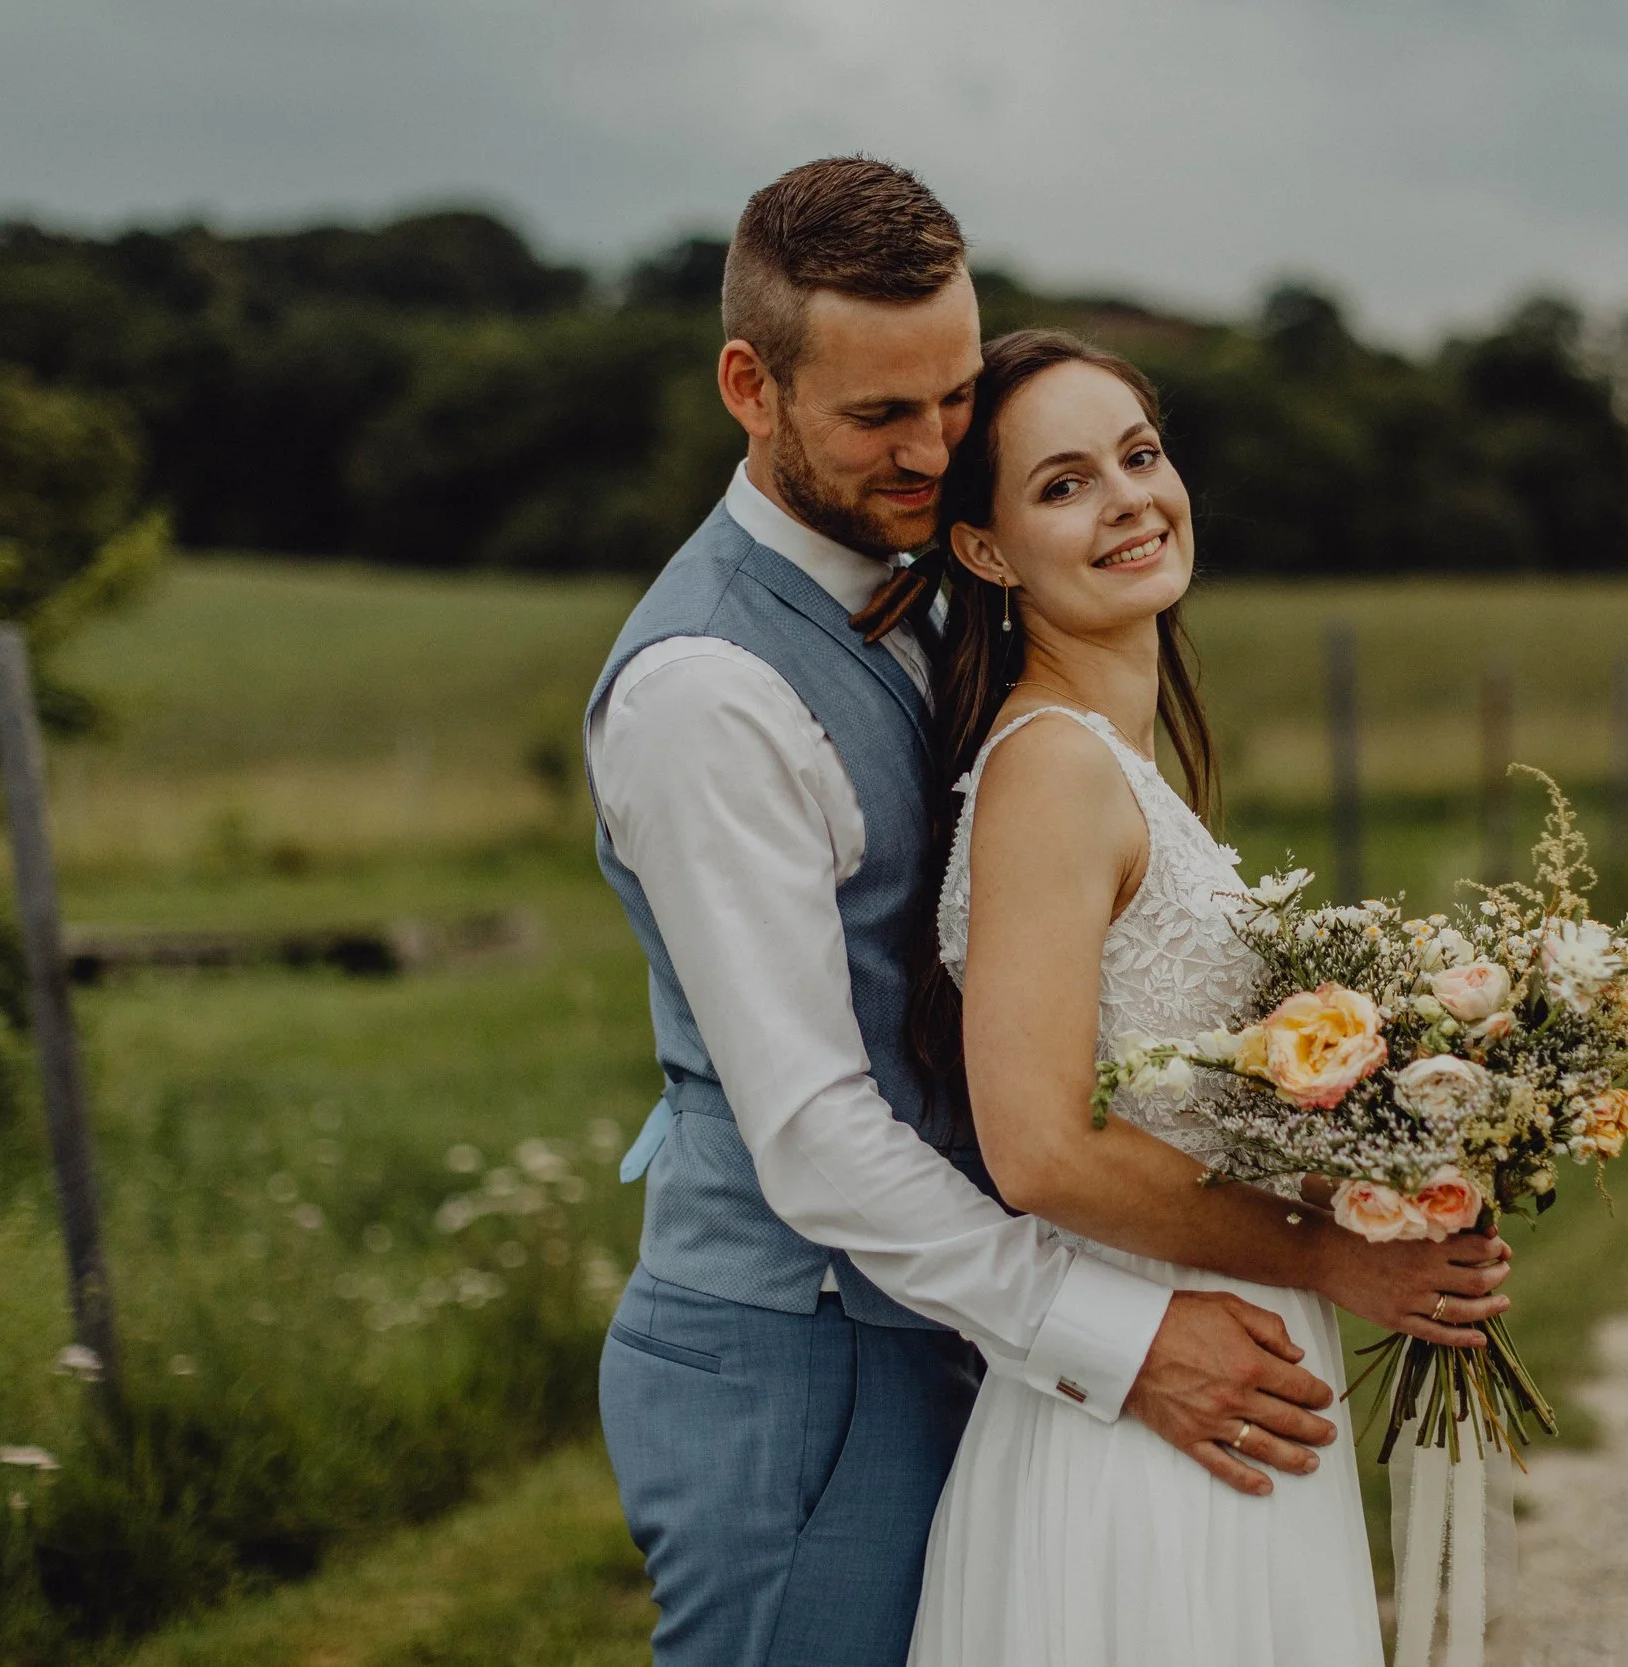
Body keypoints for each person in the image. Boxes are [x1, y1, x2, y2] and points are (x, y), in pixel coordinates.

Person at [587, 157, 1507, 1667]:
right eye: (882, 414)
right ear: (750, 386)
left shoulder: (931, 600)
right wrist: (1120, 1336)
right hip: (804, 1354)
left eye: (955, 396)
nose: (934, 449)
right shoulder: (708, 694)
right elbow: (815, 1134)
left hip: (961, 1318)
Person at [897, 329, 1511, 1663]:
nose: (1129, 499)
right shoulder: (1051, 772)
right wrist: (1331, 1251)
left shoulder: (1120, 769)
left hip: (1234, 1363)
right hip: (1149, 1398)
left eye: (1140, 455)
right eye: (1065, 484)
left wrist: (1395, 1184)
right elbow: (1039, 1147)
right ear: (986, 550)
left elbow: (1192, 1104)